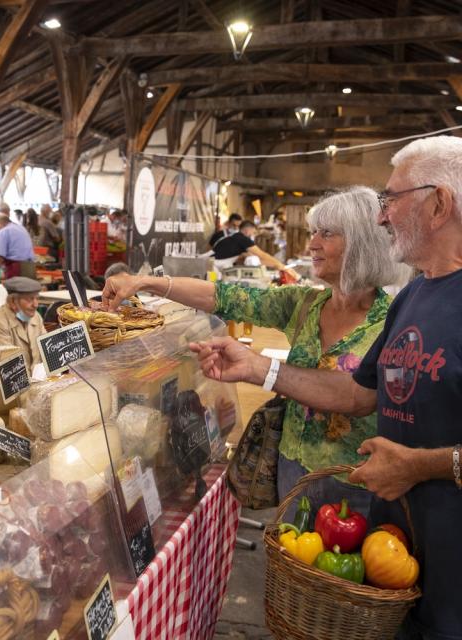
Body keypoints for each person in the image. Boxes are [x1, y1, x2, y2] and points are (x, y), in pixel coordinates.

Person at [190, 136, 462, 640]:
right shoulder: (415, 297)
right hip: (397, 547)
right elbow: (358, 396)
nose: (382, 218)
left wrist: (418, 465)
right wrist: (257, 370)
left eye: (392, 199)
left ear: (440, 204)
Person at [103, 186, 408, 517]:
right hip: (291, 469)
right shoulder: (306, 303)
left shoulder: (394, 321)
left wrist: (260, 368)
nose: (312, 244)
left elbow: (357, 396)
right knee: (284, 565)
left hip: (357, 484)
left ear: (363, 243)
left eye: (327, 234)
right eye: (313, 232)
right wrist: (146, 283)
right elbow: (225, 297)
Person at [0, 277, 45, 372]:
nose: (35, 304)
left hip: (36, 380)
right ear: (13, 301)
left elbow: (46, 348)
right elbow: (7, 366)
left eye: (37, 298)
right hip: (8, 382)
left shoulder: (35, 317)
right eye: (29, 299)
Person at [213, 219, 299, 278]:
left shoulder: (235, 237)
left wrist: (277, 265)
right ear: (247, 230)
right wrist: (282, 267)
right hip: (213, 266)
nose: (253, 234)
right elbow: (262, 255)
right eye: (253, 232)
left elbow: (251, 257)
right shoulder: (242, 239)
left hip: (216, 265)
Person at [0, 214, 35, 279]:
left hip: (15, 268)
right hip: (30, 268)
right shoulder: (21, 228)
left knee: (14, 288)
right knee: (28, 288)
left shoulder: (4, 231)